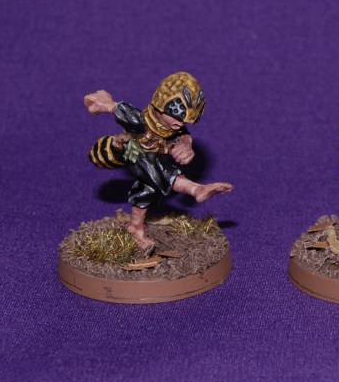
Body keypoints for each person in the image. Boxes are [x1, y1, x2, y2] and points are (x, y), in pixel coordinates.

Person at [84, 72, 233, 252]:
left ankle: (136, 228)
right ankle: (194, 189)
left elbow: (183, 136)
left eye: (186, 121)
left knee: (149, 188)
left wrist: (186, 147)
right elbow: (128, 114)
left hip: (146, 162)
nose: (180, 124)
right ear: (161, 105)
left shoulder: (174, 128)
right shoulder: (142, 121)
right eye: (177, 118)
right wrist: (107, 104)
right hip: (119, 151)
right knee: (150, 160)